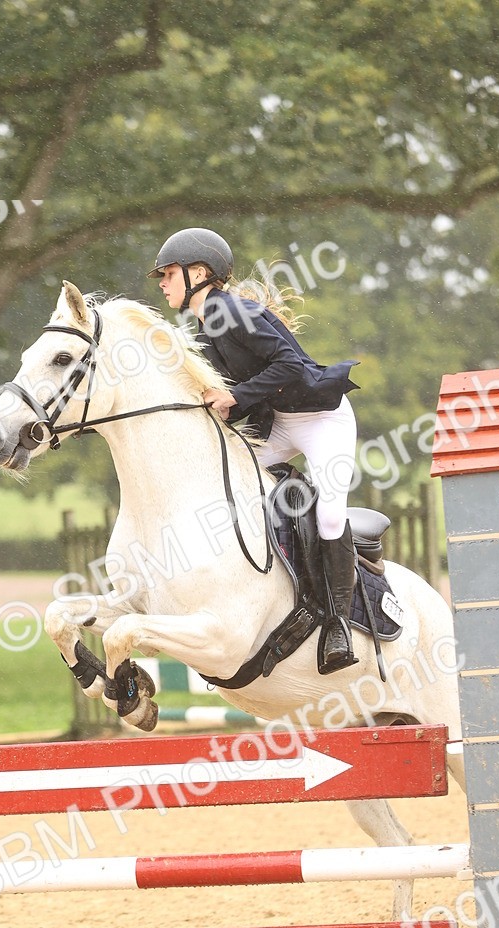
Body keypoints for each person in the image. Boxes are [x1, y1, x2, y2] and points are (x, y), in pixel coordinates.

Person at [148, 227, 360, 673]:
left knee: (330, 513)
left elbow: (289, 365)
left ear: (199, 273)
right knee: (233, 487)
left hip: (323, 420)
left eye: (168, 273)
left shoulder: (234, 313)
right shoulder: (206, 327)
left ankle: (338, 623)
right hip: (280, 425)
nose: (163, 282)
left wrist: (236, 398)